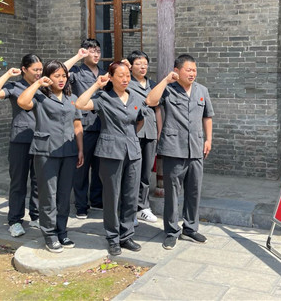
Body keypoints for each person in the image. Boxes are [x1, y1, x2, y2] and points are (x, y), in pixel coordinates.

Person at [75, 61, 144, 256]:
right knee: (112, 196)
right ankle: (113, 238)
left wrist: (129, 137)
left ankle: (126, 235)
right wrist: (97, 85)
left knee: (131, 195)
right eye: (120, 76)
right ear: (111, 77)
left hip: (133, 152)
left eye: (127, 75)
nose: (125, 79)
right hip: (110, 152)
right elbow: (80, 104)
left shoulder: (135, 97)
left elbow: (140, 120)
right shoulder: (103, 98)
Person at [146, 54, 214, 250]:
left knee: (194, 191)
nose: (192, 73)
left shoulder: (202, 90)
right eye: (188, 70)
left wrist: (209, 139)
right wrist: (165, 80)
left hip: (196, 148)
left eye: (194, 70)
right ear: (177, 70)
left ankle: (190, 228)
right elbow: (150, 101)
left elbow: (207, 116)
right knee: (173, 194)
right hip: (173, 148)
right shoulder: (168, 89)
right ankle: (171, 231)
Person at [17, 60, 84, 253]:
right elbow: (22, 102)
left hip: (69, 151)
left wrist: (80, 149)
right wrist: (38, 83)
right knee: (48, 194)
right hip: (45, 151)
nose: (61, 79)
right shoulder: (39, 96)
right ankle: (50, 234)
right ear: (48, 77)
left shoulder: (72, 98)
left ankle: (62, 231)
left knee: (64, 194)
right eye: (57, 76)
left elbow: (77, 125)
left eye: (64, 76)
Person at [0, 54, 43, 238]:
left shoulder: (42, 86)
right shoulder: (14, 87)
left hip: (41, 138)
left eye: (40, 69)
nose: (39, 73)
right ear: (24, 69)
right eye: (35, 69)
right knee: (18, 181)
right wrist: (8, 74)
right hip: (20, 139)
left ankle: (36, 216)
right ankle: (15, 220)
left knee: (38, 181)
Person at [64, 39, 105, 219]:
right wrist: (77, 57)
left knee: (99, 166)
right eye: (92, 51)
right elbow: (59, 72)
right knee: (81, 166)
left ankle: (97, 199)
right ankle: (81, 205)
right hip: (84, 125)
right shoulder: (76, 72)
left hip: (102, 124)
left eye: (98, 51)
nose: (96, 54)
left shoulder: (103, 73)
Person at [124, 50, 162, 224]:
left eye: (145, 64)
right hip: (133, 132)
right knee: (131, 172)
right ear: (131, 66)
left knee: (145, 173)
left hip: (150, 132)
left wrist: (159, 132)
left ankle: (143, 207)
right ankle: (129, 209)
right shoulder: (126, 83)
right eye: (138, 64)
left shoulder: (153, 85)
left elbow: (158, 110)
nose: (143, 67)